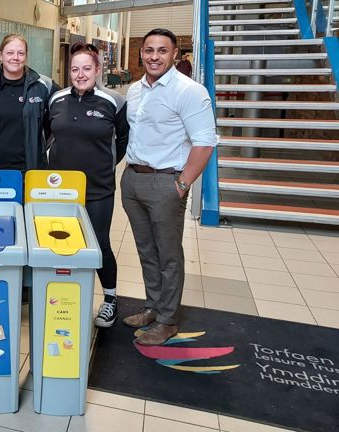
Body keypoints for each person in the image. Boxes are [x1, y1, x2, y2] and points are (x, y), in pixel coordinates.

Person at [121, 29, 216, 345]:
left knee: (168, 254)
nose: (154, 56)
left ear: (175, 54)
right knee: (146, 250)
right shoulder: (135, 90)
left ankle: (167, 320)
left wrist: (182, 184)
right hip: (133, 179)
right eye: (148, 50)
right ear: (142, 53)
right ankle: (152, 306)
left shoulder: (189, 91)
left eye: (162, 50)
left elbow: (204, 143)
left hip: (166, 182)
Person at [47, 42, 129, 328]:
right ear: (69, 72)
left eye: (86, 68)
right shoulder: (55, 99)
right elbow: (49, 133)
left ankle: (110, 299)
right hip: (60, 190)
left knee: (99, 244)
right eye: (75, 69)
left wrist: (103, 167)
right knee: (60, 243)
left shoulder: (113, 101)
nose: (80, 74)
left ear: (97, 70)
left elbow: (122, 141)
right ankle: (64, 294)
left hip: (98, 188)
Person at [0, 33, 59, 171]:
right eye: (10, 53)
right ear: (0, 55)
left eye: (21, 53)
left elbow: (65, 108)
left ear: (26, 56)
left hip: (31, 170)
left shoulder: (44, 86)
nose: (15, 58)